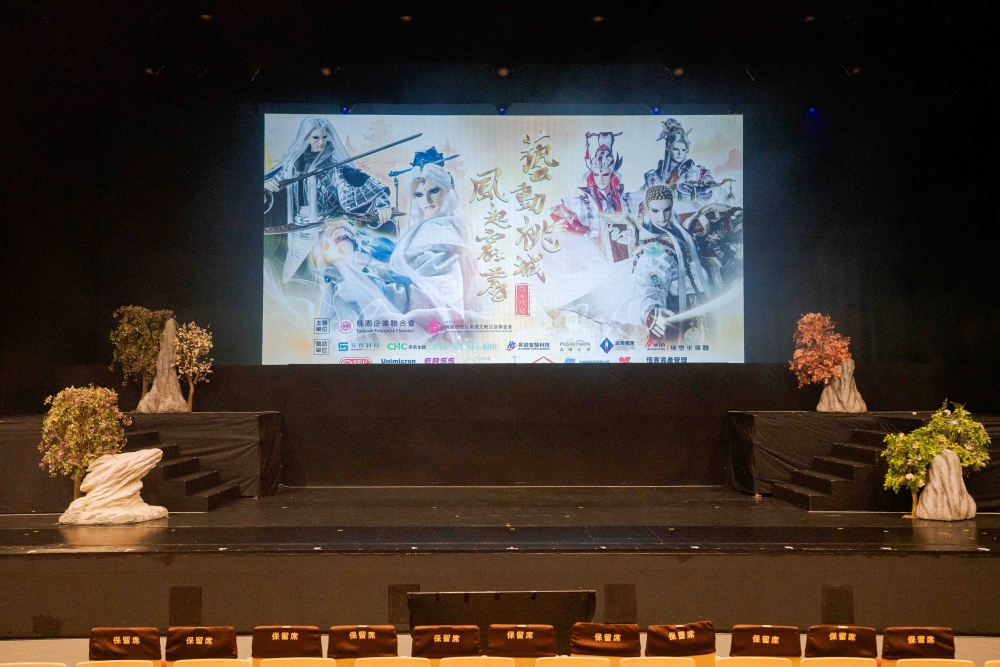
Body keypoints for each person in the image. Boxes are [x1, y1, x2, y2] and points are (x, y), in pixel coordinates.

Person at [264, 117, 393, 282]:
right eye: (316, 137)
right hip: (298, 230)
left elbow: (364, 184)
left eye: (324, 137)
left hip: (329, 229)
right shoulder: (290, 168)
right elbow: (267, 183)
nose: (321, 142)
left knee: (338, 274)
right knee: (289, 276)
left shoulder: (336, 169)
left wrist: (381, 204)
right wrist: (266, 186)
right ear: (306, 138)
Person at [375, 148, 477, 329]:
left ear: (445, 192)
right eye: (419, 195)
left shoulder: (439, 230)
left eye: (434, 191)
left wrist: (377, 275)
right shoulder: (439, 227)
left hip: (432, 312)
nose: (427, 201)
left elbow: (426, 282)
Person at [622, 185, 713, 343]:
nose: (662, 217)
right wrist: (650, 310)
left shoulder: (681, 234)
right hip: (674, 315)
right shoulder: (652, 247)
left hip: (699, 310)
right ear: (648, 210)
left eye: (666, 209)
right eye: (655, 211)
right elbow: (648, 277)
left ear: (672, 207)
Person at [549, 132, 640, 262]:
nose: (601, 179)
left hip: (624, 258)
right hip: (593, 258)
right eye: (596, 174)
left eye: (605, 174)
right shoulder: (582, 205)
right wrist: (554, 230)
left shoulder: (628, 201)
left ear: (612, 174)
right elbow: (562, 229)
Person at [642, 118, 718, 215]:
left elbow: (713, 193)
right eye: (675, 149)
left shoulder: (699, 172)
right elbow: (642, 199)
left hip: (690, 217)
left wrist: (694, 189)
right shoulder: (654, 176)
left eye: (683, 150)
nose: (679, 154)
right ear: (669, 149)